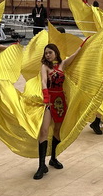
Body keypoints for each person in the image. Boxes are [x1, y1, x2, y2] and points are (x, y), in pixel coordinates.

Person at [34, 42, 82, 180]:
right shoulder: (44, 66)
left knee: (57, 130)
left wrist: (84, 45)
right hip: (49, 100)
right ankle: (41, 166)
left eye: (50, 52)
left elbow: (76, 55)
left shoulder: (63, 64)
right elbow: (43, 82)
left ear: (56, 53)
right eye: (46, 53)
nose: (48, 55)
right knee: (44, 131)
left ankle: (53, 159)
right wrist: (46, 96)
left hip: (60, 101)